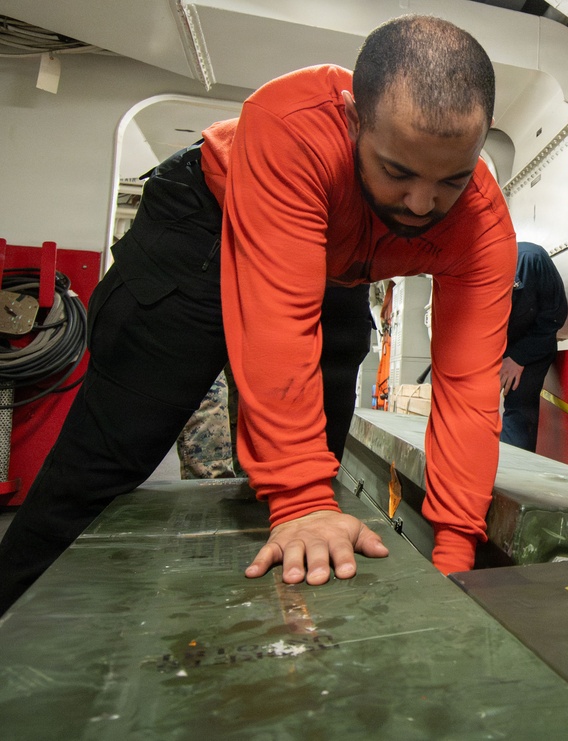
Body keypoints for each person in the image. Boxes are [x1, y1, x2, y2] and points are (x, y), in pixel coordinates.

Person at [0, 15, 516, 615]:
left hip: (334, 263)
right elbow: (278, 325)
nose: (422, 205)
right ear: (353, 120)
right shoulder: (291, 122)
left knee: (317, 456)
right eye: (397, 172)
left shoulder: (482, 227)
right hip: (202, 225)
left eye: (451, 180)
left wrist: (455, 554)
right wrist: (300, 498)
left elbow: (468, 388)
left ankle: (276, 631)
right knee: (112, 453)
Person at [499, 242, 568, 452]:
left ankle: (513, 466)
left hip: (532, 341)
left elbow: (554, 317)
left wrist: (518, 358)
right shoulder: (470, 271)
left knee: (519, 403)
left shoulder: (531, 259)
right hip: (492, 342)